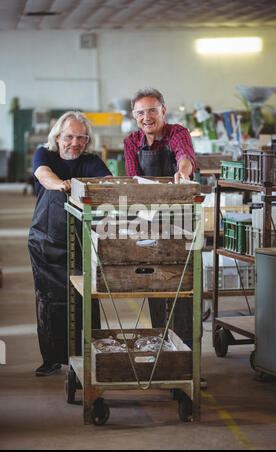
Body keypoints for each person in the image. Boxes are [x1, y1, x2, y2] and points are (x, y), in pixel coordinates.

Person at [124, 88, 206, 388]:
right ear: (134, 116)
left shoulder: (177, 132)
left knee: (184, 289)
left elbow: (185, 156)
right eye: (140, 112)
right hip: (148, 224)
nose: (147, 117)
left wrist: (182, 173)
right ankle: (164, 356)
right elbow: (134, 179)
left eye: (152, 110)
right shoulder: (131, 141)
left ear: (163, 111)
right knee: (155, 287)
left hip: (180, 222)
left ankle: (191, 362)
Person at [28, 111, 111, 376]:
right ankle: (51, 358)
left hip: (81, 237)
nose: (74, 142)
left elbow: (109, 183)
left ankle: (87, 354)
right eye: (69, 136)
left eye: (81, 137)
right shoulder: (45, 154)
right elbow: (43, 175)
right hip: (46, 240)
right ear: (58, 137)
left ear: (87, 140)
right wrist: (61, 185)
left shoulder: (91, 161)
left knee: (85, 297)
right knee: (49, 299)